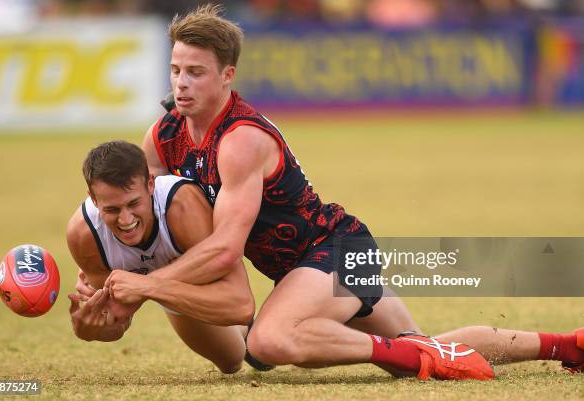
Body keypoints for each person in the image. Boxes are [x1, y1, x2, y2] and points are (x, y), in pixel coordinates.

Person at [125, 4, 583, 380]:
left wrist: (145, 285)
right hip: (308, 269)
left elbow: (225, 250)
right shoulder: (162, 136)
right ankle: (568, 345)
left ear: (227, 76)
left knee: (268, 341)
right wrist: (110, 268)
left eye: (196, 72)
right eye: (176, 70)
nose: (181, 83)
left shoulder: (240, 139)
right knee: (425, 345)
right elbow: (149, 218)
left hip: (337, 250)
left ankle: (412, 357)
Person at [66, 140, 255, 374]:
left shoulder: (182, 205)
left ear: (150, 184)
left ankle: (247, 333)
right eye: (112, 210)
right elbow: (117, 321)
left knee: (234, 355)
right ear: (93, 199)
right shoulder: (83, 236)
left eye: (134, 203)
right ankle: (245, 335)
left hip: (193, 281)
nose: (126, 220)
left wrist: (148, 287)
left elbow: (240, 305)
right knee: (230, 361)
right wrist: (91, 330)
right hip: (171, 291)